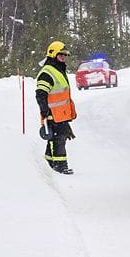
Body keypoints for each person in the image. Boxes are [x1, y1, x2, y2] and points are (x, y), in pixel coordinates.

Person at [36, 41, 77, 175]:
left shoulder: (58, 70)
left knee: (57, 139)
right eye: (61, 55)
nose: (63, 57)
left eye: (65, 55)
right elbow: (41, 94)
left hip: (61, 114)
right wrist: (45, 112)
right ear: (53, 55)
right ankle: (60, 166)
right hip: (52, 114)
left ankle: (49, 163)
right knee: (57, 140)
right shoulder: (47, 72)